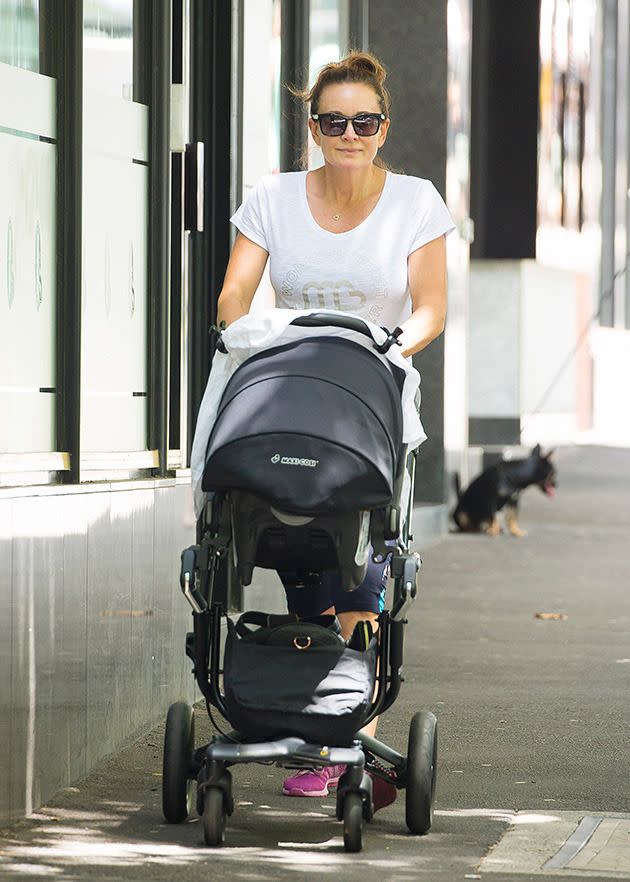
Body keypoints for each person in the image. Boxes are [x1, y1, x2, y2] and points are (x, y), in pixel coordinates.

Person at [217, 51, 454, 808]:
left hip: (370, 401)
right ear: (313, 128)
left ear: (382, 128)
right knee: (300, 561)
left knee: (360, 573)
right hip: (288, 394)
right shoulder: (272, 198)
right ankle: (301, 708)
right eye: (333, 122)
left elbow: (429, 305)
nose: (349, 134)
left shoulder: (416, 201)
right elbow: (235, 293)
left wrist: (394, 345)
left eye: (364, 122)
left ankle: (344, 730)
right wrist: (249, 332)